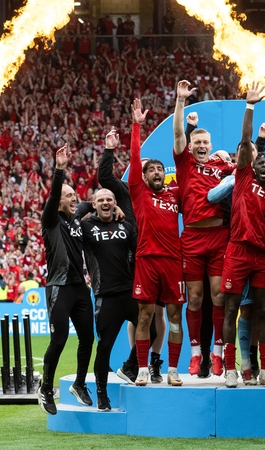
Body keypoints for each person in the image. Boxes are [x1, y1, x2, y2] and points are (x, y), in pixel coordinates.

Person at [220, 83, 265, 388]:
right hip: (237, 250)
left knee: (263, 310)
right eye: (259, 162)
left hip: (261, 256)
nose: (263, 166)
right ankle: (231, 368)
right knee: (231, 308)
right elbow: (246, 139)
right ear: (250, 164)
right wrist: (250, 107)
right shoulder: (242, 176)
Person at [173, 80, 235, 377]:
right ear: (191, 145)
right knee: (195, 298)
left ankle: (218, 353)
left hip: (220, 236)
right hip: (193, 237)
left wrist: (230, 157)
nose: (200, 146)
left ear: (211, 145)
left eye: (204, 143)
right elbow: (177, 135)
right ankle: (196, 354)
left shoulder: (222, 167)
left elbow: (246, 170)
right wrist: (180, 102)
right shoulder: (184, 164)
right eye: (196, 142)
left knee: (219, 297)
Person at [100, 126, 166, 385]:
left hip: (160, 259)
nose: (148, 171)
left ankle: (154, 362)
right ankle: (136, 362)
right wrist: (108, 149)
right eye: (143, 167)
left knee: (158, 315)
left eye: (152, 168)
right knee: (138, 315)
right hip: (134, 262)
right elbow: (105, 177)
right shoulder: (127, 189)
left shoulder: (165, 193)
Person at [128, 98, 185, 387]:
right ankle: (141, 369)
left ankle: (173, 368)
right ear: (144, 175)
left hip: (173, 263)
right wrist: (137, 125)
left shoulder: (174, 195)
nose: (157, 172)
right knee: (145, 315)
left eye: (160, 169)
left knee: (175, 316)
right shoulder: (139, 192)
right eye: (152, 170)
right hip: (147, 260)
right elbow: (135, 157)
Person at [39, 144, 97, 414]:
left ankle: (80, 384)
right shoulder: (50, 220)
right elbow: (53, 197)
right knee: (59, 339)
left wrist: (115, 207)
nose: (75, 199)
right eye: (68, 196)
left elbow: (93, 202)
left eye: (75, 195)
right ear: (58, 201)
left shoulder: (75, 217)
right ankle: (45, 389)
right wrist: (59, 169)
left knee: (88, 338)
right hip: (59, 287)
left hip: (79, 288)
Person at [81, 188, 138, 411]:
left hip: (129, 292)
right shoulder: (86, 227)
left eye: (109, 200)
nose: (105, 203)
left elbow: (137, 255)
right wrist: (89, 204)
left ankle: (130, 366)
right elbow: (76, 213)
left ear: (115, 203)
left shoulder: (126, 226)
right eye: (100, 200)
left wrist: (118, 211)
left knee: (151, 329)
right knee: (104, 347)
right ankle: (102, 395)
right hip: (105, 296)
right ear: (94, 204)